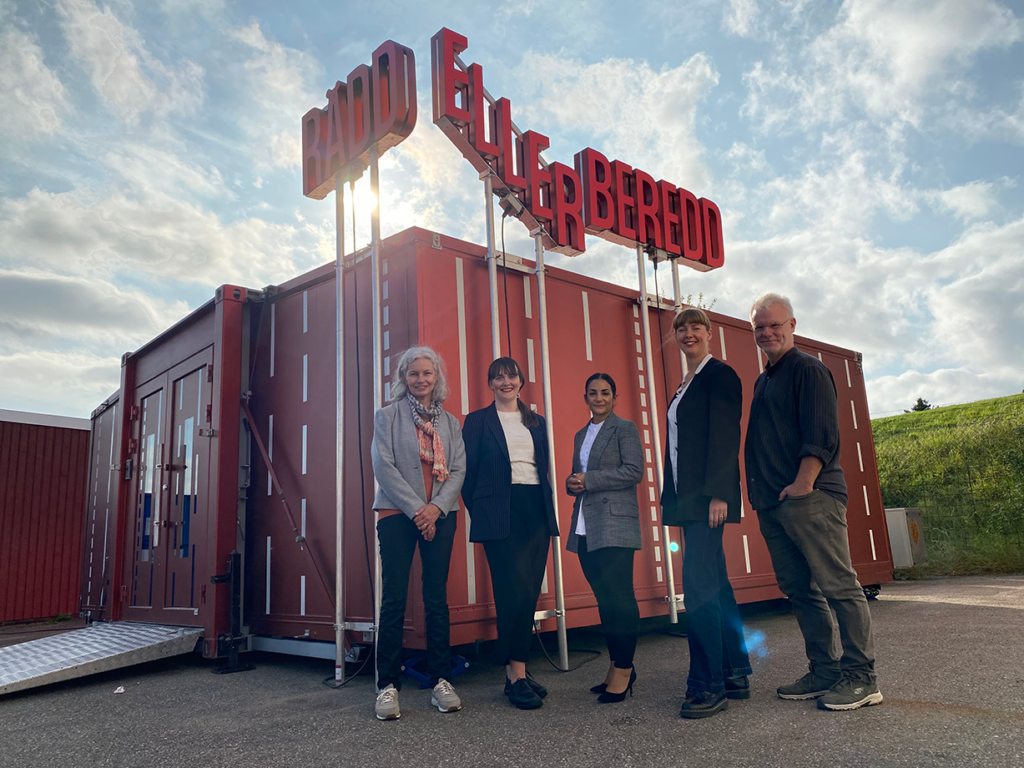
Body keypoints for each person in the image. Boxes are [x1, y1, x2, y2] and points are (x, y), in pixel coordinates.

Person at [745, 293, 881, 711]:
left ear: (792, 325)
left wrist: (804, 483)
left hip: (811, 497)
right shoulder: (766, 378)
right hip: (774, 503)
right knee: (801, 591)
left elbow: (822, 432)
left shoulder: (808, 369)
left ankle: (862, 678)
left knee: (839, 586)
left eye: (775, 324)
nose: (767, 332)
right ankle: (825, 670)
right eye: (760, 327)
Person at [661, 307, 753, 719]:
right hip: (687, 500)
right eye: (681, 329)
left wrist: (720, 494)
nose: (688, 334)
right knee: (716, 584)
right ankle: (734, 671)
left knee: (698, 589)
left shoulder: (720, 375)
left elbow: (725, 436)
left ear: (710, 333)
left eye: (696, 327)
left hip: (707, 500)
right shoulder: (686, 384)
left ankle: (707, 685)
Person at [370, 347, 466, 721]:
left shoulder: (451, 423)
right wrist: (418, 510)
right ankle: (387, 685)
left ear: (436, 377)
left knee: (436, 598)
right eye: (414, 373)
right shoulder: (387, 416)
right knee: (394, 598)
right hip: (397, 514)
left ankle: (441, 679)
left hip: (441, 514)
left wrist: (436, 508)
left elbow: (458, 469)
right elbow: (384, 467)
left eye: (427, 373)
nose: (421, 379)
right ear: (403, 378)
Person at [461, 357, 560, 710]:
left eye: (512, 376)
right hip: (499, 511)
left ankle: (518, 669)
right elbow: (467, 473)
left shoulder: (536, 421)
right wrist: (481, 512)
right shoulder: (477, 421)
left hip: (535, 507)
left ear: (521, 381)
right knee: (512, 590)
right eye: (498, 377)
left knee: (529, 590)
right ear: (490, 384)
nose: (506, 382)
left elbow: (542, 467)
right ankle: (515, 675)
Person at [565, 373, 644, 704]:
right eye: (593, 393)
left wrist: (589, 480)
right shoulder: (580, 434)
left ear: (614, 397)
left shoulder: (624, 428)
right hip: (586, 525)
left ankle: (624, 669)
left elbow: (634, 471)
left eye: (605, 393)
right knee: (604, 599)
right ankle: (616, 665)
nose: (599, 398)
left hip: (615, 523)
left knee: (620, 597)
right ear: (585, 398)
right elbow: (580, 475)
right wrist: (572, 482)